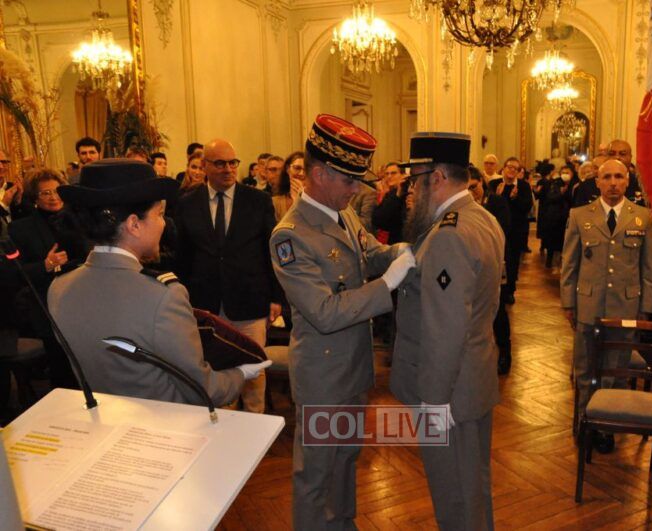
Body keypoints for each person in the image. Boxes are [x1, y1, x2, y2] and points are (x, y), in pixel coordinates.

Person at [270, 114, 414, 530]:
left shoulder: (343, 213)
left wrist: (405, 251)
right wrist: (387, 284)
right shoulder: (290, 235)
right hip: (323, 374)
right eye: (350, 180)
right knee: (316, 472)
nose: (356, 189)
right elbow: (325, 312)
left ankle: (343, 524)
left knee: (347, 458)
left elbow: (370, 253)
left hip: (352, 366)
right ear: (320, 175)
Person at [48, 159, 264, 405]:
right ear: (134, 224)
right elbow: (201, 390)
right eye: (159, 214)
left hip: (102, 420)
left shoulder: (59, 287)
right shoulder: (163, 296)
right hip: (164, 424)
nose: (163, 223)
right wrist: (241, 373)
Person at [392, 132, 504, 530]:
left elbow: (445, 330)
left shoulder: (448, 236)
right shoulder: (482, 218)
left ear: (436, 178)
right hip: (472, 377)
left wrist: (434, 403)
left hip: (449, 394)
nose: (410, 189)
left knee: (455, 497)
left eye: (415, 180)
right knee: (472, 488)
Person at [175, 139, 282, 414]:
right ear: (205, 166)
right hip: (206, 304)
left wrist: (276, 297)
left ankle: (256, 427)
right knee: (216, 371)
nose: (228, 169)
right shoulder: (187, 203)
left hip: (250, 302)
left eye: (233, 163)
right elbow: (183, 256)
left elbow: (271, 251)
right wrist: (182, 300)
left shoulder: (258, 201)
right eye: (220, 163)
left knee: (254, 371)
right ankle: (225, 429)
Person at [560, 158, 652, 453]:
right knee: (585, 368)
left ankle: (606, 426)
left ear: (627, 181)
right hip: (588, 304)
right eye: (607, 177)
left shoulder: (643, 217)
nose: (613, 183)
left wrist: (646, 307)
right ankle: (584, 420)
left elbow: (650, 269)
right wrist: (568, 303)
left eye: (619, 177)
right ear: (597, 182)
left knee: (615, 368)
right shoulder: (580, 215)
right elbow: (570, 263)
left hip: (625, 307)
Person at [8, 170, 88, 389]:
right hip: (46, 304)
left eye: (56, 191)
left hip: (81, 298)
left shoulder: (78, 221)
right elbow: (15, 273)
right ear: (35, 198)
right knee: (62, 368)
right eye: (45, 193)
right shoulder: (20, 228)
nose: (53, 197)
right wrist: (45, 265)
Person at [468, 166, 512, 375]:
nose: (471, 192)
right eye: (467, 188)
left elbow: (504, 229)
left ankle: (505, 351)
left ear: (482, 183)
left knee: (498, 309)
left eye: (474, 187)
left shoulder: (496, 202)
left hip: (495, 261)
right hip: (471, 263)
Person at [488, 157, 533, 304]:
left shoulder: (524, 186)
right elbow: (488, 207)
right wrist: (498, 196)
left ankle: (510, 290)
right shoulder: (494, 184)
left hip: (515, 230)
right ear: (504, 168)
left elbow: (527, 207)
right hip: (496, 229)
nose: (512, 170)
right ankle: (496, 290)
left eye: (516, 168)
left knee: (512, 261)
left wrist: (515, 198)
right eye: (509, 167)